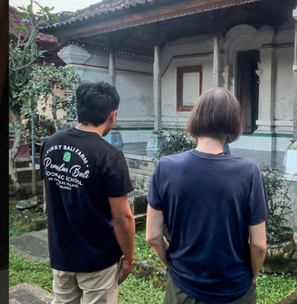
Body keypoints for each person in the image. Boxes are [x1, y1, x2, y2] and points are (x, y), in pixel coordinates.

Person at [146, 87, 268, 304]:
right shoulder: (248, 172)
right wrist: (253, 275)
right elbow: (259, 244)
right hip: (235, 290)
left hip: (182, 288)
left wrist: (173, 268)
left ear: (196, 119)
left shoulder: (166, 168)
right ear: (232, 124)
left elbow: (152, 236)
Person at [40, 81, 135, 304]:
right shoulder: (110, 156)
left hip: (61, 252)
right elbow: (122, 218)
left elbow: (52, 193)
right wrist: (129, 258)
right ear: (112, 114)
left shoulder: (50, 144)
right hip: (98, 260)